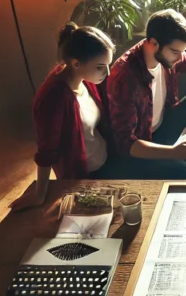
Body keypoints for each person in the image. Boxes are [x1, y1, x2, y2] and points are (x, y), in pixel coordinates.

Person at [102, 9, 186, 179]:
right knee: (182, 171)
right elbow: (126, 144)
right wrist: (174, 153)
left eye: (183, 51)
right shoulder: (125, 77)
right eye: (175, 52)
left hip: (163, 125)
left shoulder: (166, 57)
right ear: (154, 43)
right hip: (141, 146)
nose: (181, 58)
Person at [12, 23, 115, 210]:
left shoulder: (85, 79)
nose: (107, 73)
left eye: (108, 65)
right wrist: (39, 194)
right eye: (101, 67)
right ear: (76, 64)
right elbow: (46, 151)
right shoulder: (54, 98)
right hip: (85, 175)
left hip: (106, 158)